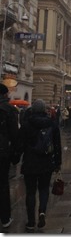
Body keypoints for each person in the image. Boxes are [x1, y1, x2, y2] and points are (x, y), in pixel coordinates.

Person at [18, 99, 62, 232]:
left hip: (30, 162)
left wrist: (14, 158)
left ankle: (31, 221)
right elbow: (57, 145)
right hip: (46, 162)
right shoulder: (52, 124)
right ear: (44, 110)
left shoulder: (26, 124)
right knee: (43, 189)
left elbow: (20, 144)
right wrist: (58, 163)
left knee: (30, 192)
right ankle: (42, 211)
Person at [0, 83, 20, 229]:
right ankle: (5, 218)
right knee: (3, 184)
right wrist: (16, 154)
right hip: (2, 152)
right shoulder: (9, 110)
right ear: (5, 95)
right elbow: (14, 135)